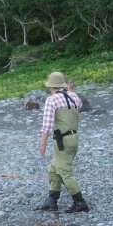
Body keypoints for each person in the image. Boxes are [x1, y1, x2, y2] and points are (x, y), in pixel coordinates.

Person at [36, 72, 89, 213]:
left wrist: (43, 144)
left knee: (64, 172)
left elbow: (47, 126)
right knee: (53, 169)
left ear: (50, 86)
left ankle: (79, 201)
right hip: (74, 138)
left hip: (62, 141)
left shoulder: (51, 100)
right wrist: (71, 90)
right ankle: (52, 200)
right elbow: (79, 104)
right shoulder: (73, 96)